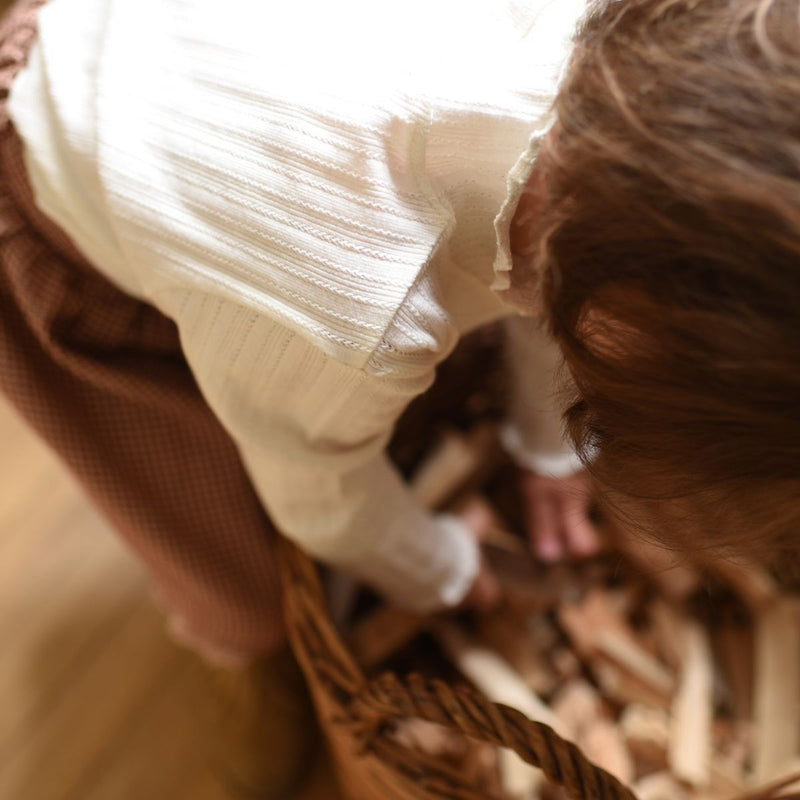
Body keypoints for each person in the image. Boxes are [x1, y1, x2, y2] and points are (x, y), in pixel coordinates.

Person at [0, 0, 797, 795]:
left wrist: (542, 445)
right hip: (59, 178)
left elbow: (564, 276)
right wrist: (440, 567)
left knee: (334, 380)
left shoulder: (605, 114)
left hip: (189, 78)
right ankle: (246, 656)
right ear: (616, 325)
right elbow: (320, 499)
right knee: (214, 541)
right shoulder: (354, 313)